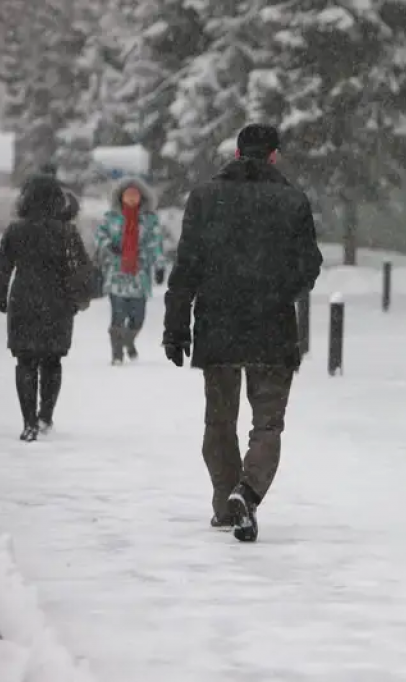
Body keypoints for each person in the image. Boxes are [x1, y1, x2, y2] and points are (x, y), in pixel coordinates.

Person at [163, 123, 322, 543]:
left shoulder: (204, 198)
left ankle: (224, 502)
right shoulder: (293, 201)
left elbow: (186, 269)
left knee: (219, 421)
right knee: (267, 424)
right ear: (273, 156)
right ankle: (247, 493)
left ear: (236, 154)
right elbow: (309, 266)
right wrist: (278, 290)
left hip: (218, 324)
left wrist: (175, 326)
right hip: (272, 327)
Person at [0, 177, 93, 441]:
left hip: (23, 299)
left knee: (25, 361)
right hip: (58, 302)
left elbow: (2, 267)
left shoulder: (16, 231)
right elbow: (82, 268)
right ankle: (45, 415)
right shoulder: (67, 232)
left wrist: (0, 297)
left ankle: (28, 423)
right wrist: (78, 299)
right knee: (52, 360)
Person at [93, 176, 164, 365]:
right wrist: (110, 246)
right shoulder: (110, 218)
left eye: (135, 195)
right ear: (120, 197)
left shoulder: (150, 220)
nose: (132, 198)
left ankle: (129, 340)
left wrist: (159, 265)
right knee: (117, 316)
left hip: (139, 277)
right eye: (128, 195)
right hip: (116, 275)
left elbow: (155, 243)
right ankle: (117, 353)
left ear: (142, 197)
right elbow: (99, 237)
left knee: (137, 318)